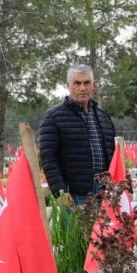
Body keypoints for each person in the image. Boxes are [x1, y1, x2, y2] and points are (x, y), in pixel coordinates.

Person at [38, 64, 116, 205]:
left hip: (105, 193)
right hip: (74, 195)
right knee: (76, 228)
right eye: (77, 83)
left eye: (86, 83)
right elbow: (48, 158)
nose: (82, 88)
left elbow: (113, 155)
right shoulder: (53, 117)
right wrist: (59, 191)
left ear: (94, 85)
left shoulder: (103, 117)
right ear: (68, 85)